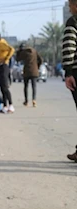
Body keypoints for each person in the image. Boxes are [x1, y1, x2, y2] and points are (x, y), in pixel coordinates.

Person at [63, 0, 77, 161]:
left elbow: (69, 47)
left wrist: (68, 72)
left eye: (70, 5)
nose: (69, 8)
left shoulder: (73, 21)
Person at [0, 33, 15, 113]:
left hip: (4, 66)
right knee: (1, 87)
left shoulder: (2, 43)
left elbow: (12, 49)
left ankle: (11, 105)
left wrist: (6, 58)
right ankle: (5, 106)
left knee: (5, 87)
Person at [16, 43, 43, 108]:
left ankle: (26, 101)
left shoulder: (24, 53)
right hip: (34, 71)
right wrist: (37, 66)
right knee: (34, 86)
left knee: (26, 86)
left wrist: (18, 52)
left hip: (27, 71)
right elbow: (41, 60)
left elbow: (17, 59)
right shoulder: (34, 51)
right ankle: (34, 100)